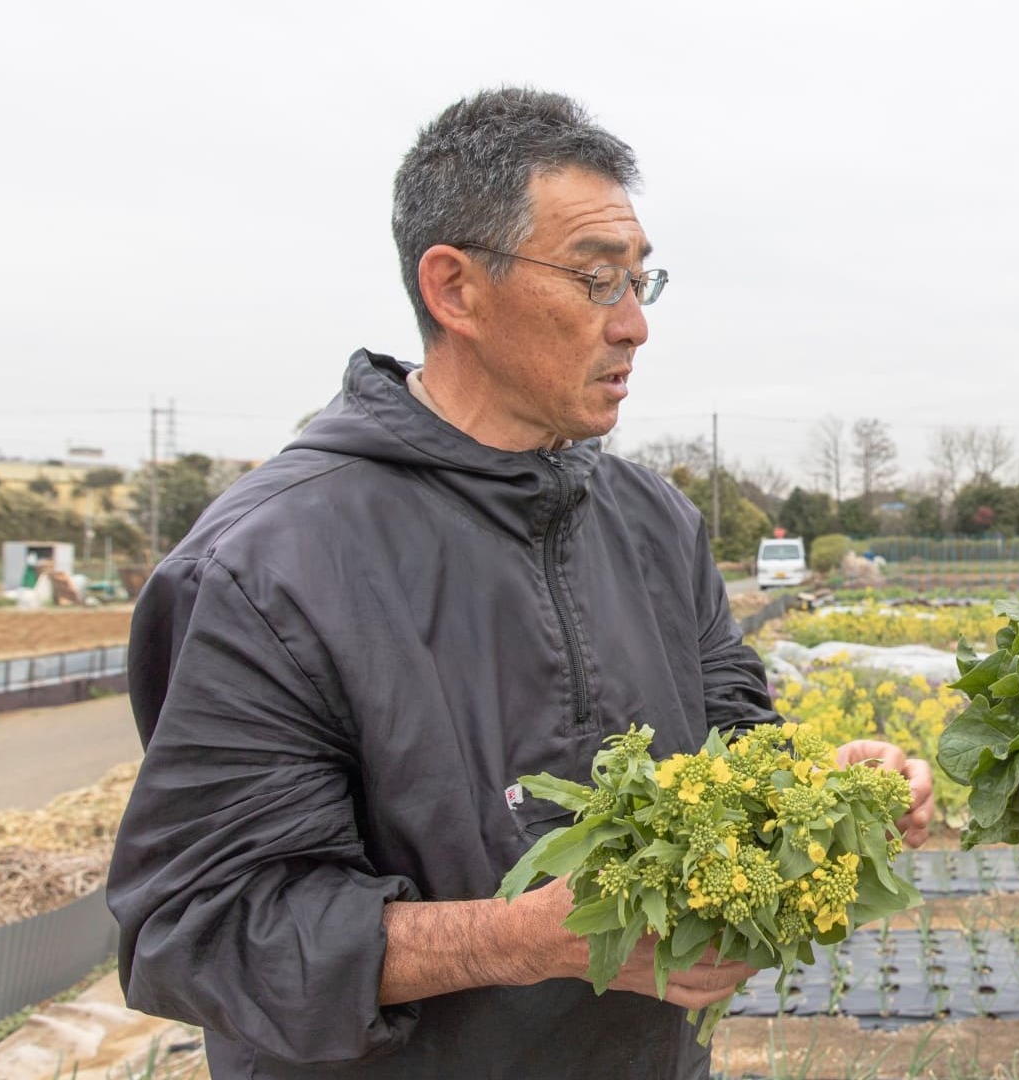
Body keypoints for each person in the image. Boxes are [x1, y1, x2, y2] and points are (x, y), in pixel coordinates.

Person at [107, 87, 933, 1080]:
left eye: (641, 281)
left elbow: (734, 744)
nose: (635, 326)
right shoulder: (268, 564)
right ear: (455, 289)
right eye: (596, 279)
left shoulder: (655, 523)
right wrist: (522, 940)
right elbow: (204, 930)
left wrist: (828, 791)